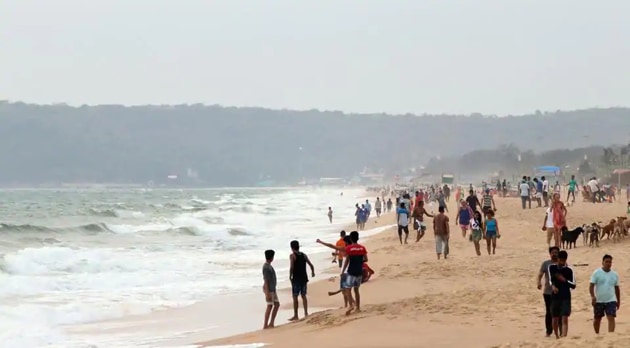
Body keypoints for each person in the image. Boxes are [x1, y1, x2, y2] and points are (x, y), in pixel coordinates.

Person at [547, 250, 576, 338]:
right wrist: (553, 287)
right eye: (560, 260)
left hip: (566, 296)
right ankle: (556, 336)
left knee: (564, 317)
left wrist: (564, 280)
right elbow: (551, 280)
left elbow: (573, 285)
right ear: (557, 259)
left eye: (564, 261)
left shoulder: (569, 270)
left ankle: (564, 336)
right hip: (555, 297)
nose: (562, 262)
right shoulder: (551, 268)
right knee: (555, 318)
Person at [590, 254, 620, 334]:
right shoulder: (596, 273)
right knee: (597, 318)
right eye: (606, 262)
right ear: (602, 262)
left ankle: (611, 335)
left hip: (611, 299)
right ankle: (597, 333)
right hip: (599, 300)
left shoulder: (615, 274)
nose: (608, 263)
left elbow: (617, 288)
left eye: (610, 262)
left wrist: (618, 300)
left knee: (611, 317)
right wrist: (593, 296)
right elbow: (591, 285)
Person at [342, 231, 367, 315]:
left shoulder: (349, 248)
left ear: (351, 239)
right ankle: (358, 308)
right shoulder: (362, 248)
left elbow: (346, 261)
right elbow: (366, 259)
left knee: (348, 289)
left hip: (351, 271)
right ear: (358, 238)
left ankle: (351, 305)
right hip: (359, 272)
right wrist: (359, 261)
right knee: (356, 290)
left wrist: (342, 271)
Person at [288, 240, 315, 321]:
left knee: (295, 296)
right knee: (303, 295)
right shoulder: (304, 255)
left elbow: (292, 267)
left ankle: (296, 315)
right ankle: (306, 313)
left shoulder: (292, 256)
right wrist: (312, 272)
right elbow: (311, 265)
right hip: (304, 278)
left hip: (296, 278)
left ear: (292, 248)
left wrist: (290, 276)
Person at [537, 246, 560, 337]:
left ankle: (560, 330)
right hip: (548, 292)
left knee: (559, 311)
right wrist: (539, 282)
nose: (554, 254)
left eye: (556, 252)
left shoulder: (562, 264)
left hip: (559, 292)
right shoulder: (546, 264)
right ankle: (549, 331)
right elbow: (540, 274)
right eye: (553, 252)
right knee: (549, 311)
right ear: (550, 254)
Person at [262, 249, 280, 329]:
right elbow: (265, 280)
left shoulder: (269, 266)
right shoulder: (266, 267)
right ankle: (265, 325)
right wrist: (267, 293)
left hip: (272, 288)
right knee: (270, 305)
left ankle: (271, 323)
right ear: (272, 257)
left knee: (276, 304)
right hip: (269, 289)